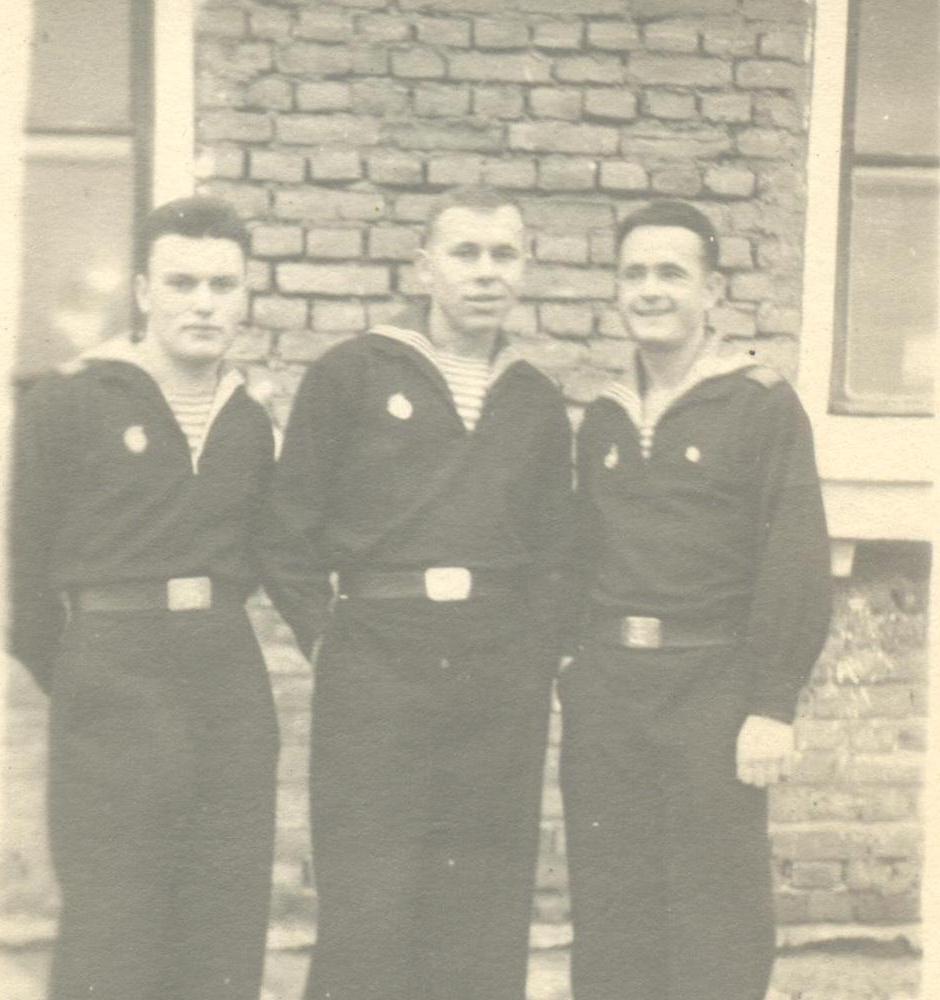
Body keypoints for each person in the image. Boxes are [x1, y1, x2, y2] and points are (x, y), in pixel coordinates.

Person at [264, 186, 576, 1000]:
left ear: (525, 269)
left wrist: (531, 658)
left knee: (483, 905)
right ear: (424, 266)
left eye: (503, 255)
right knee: (370, 905)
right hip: (378, 663)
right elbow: (285, 529)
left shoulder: (534, 397)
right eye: (465, 253)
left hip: (497, 674)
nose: (485, 272)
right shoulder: (353, 373)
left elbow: (556, 550)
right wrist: (330, 641)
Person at [8, 196, 280, 1000]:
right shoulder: (70, 400)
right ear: (142, 292)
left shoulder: (250, 419)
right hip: (113, 678)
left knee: (223, 918)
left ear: (245, 295)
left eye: (223, 285)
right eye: (183, 283)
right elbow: (27, 577)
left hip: (225, 680)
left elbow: (258, 552)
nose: (204, 303)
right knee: (114, 925)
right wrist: (89, 675)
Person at [560, 200, 832, 1000]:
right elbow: (581, 552)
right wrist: (575, 663)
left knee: (717, 918)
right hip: (611, 692)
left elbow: (795, 555)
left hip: (712, 689)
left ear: (711, 291)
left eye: (671, 273)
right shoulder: (604, 416)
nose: (650, 290)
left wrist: (772, 703)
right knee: (612, 910)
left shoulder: (759, 402)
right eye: (633, 274)